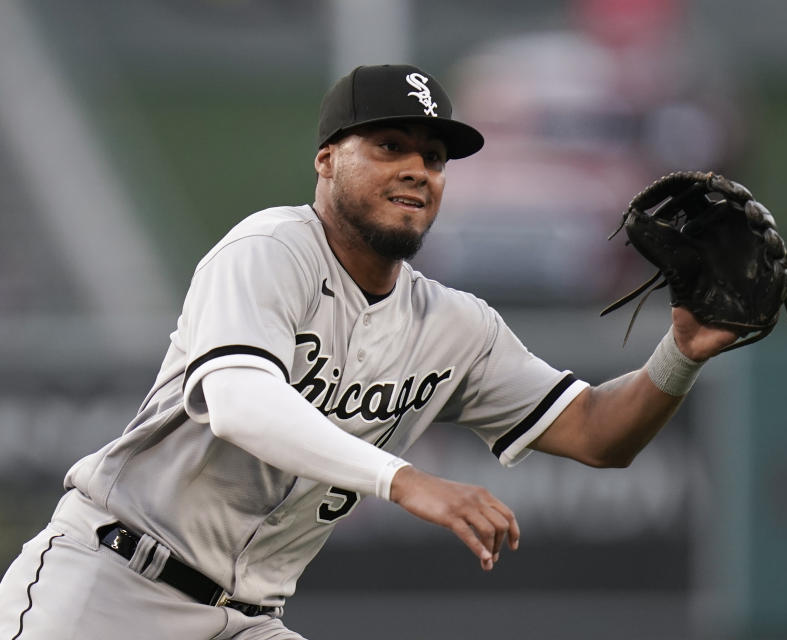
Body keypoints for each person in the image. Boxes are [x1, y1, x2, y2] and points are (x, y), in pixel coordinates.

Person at [0, 64, 736, 639]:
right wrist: (406, 481)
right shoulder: (270, 249)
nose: (418, 168)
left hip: (246, 620)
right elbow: (240, 402)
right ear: (326, 159)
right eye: (389, 147)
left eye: (434, 156)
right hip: (109, 586)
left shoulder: (455, 325)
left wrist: (681, 352)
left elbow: (598, 434)